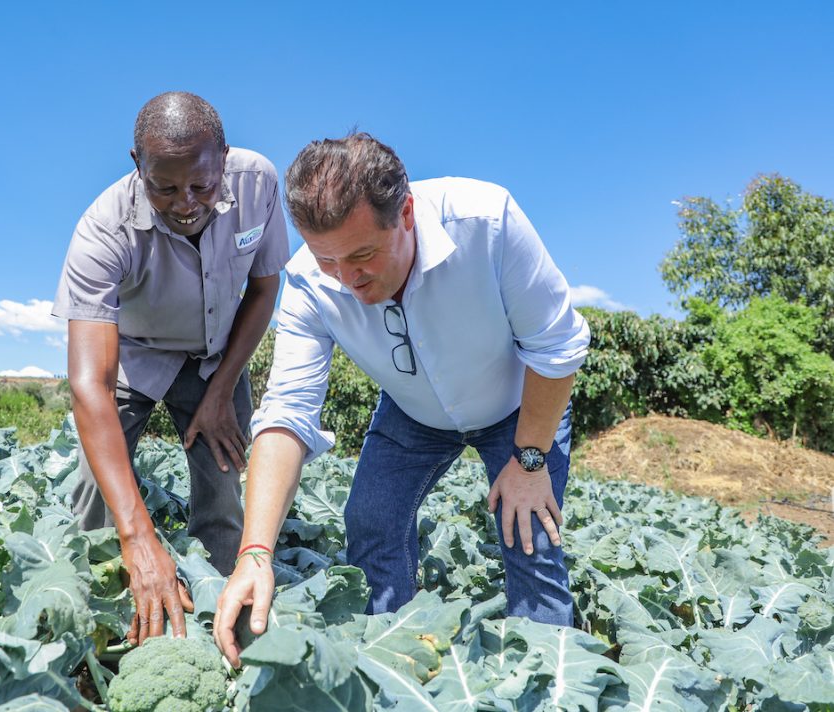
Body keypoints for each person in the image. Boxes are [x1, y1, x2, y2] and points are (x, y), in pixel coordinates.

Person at [213, 133, 590, 666]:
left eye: (363, 255)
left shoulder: (488, 221)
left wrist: (529, 462)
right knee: (371, 519)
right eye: (328, 260)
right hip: (413, 414)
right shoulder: (305, 283)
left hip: (519, 407)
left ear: (406, 212)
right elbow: (287, 412)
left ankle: (549, 677)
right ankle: (394, 662)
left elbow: (557, 346)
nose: (347, 280)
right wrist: (255, 553)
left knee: (530, 536)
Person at [52, 91, 289, 644]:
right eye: (165, 187)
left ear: (224, 158)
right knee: (95, 497)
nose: (186, 202)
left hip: (217, 356)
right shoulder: (101, 230)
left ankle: (222, 618)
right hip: (134, 354)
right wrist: (137, 537)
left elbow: (263, 289)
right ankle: (98, 620)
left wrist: (220, 392)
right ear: (137, 166)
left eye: (202, 185)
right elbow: (90, 384)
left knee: (225, 486)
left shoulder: (259, 183)